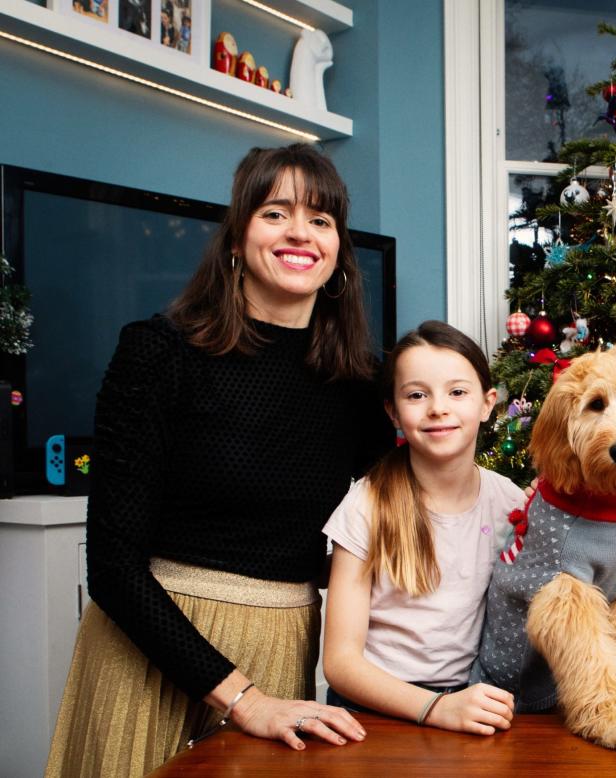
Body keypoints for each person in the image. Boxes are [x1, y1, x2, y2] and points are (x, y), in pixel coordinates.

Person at [46, 144, 392, 777]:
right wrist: (242, 698)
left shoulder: (359, 385)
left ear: (338, 249)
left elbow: (400, 520)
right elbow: (113, 567)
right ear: (237, 238)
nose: (299, 233)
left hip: (283, 650)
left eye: (320, 220)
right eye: (275, 212)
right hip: (149, 650)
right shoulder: (158, 354)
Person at [321, 321, 522, 735]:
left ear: (487, 404)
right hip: (372, 709)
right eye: (416, 395)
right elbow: (340, 663)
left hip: (469, 700)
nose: (438, 408)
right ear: (393, 411)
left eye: (457, 392)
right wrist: (435, 708)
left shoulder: (509, 503)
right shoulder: (368, 504)